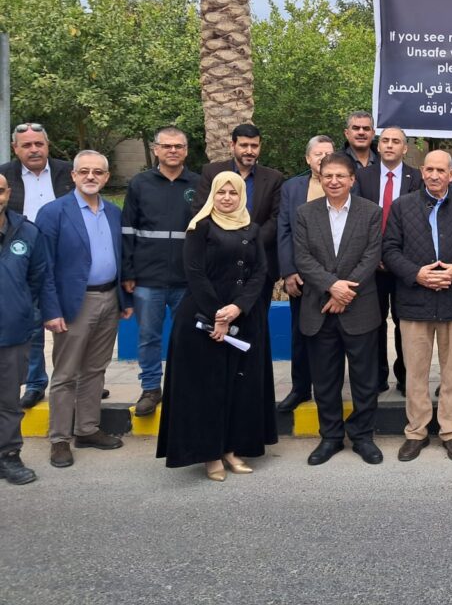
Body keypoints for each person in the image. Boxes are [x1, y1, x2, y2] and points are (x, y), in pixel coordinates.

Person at [156, 172, 278, 481]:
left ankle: (232, 449)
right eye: (221, 192)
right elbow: (194, 273)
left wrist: (238, 308)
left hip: (243, 318)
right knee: (206, 389)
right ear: (212, 194)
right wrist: (218, 317)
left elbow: (260, 272)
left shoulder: (251, 229)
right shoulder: (200, 227)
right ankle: (209, 454)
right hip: (202, 319)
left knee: (239, 388)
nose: (226, 197)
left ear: (241, 196)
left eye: (233, 192)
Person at [382, 150, 452, 463]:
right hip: (414, 302)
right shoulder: (402, 207)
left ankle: (451, 432)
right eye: (429, 169)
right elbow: (389, 249)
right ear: (422, 172)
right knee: (415, 373)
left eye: (441, 170)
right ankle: (416, 432)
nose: (435, 175)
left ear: (451, 175)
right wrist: (417, 274)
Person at [35, 151, 133, 469]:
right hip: (74, 303)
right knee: (65, 374)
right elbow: (44, 266)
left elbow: (121, 257)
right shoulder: (53, 213)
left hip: (109, 298)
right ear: (74, 175)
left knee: (95, 369)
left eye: (98, 172)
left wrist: (124, 300)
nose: (91, 176)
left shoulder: (113, 212)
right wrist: (50, 310)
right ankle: (59, 439)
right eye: (85, 171)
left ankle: (87, 429)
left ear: (106, 177)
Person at [293, 152, 385, 466]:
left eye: (340, 176)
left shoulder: (371, 212)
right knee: (325, 379)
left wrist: (344, 294)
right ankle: (330, 437)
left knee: (364, 379)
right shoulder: (305, 213)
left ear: (352, 180)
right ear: (320, 178)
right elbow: (303, 258)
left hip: (360, 309)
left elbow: (371, 256)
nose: (334, 181)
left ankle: (362, 436)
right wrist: (333, 286)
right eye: (328, 176)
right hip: (319, 309)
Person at [120, 126, 200, 417]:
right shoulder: (140, 184)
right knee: (148, 337)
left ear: (186, 151)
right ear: (156, 150)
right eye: (167, 146)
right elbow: (127, 230)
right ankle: (151, 388)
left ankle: (184, 388)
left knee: (186, 337)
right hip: (147, 278)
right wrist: (128, 271)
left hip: (186, 279)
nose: (172, 151)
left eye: (178, 146)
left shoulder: (198, 184)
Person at [0, 122, 74, 409]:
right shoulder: (5, 175)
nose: (34, 149)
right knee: (31, 320)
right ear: (15, 148)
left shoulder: (67, 172)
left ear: (47, 145)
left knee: (72, 323)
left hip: (64, 256)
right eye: (27, 145)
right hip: (23, 255)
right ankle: (34, 383)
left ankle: (75, 380)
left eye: (39, 144)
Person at [353, 126, 423, 395]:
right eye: (385, 141)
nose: (390, 145)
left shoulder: (416, 178)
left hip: (405, 264)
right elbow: (358, 219)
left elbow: (419, 223)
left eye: (396, 141)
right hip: (372, 265)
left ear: (405, 148)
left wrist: (397, 258)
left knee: (406, 323)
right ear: (378, 146)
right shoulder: (363, 177)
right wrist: (376, 255)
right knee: (374, 322)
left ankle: (406, 377)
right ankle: (377, 376)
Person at [0, 173, 57, 485]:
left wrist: (23, 309)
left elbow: (38, 279)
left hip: (12, 332)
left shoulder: (27, 232)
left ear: (8, 193)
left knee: (8, 400)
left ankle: (8, 455)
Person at [276, 135, 335, 412]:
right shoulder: (292, 188)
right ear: (308, 158)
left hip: (336, 276)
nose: (323, 158)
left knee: (336, 336)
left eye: (328, 153)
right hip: (301, 276)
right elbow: (284, 230)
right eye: (318, 154)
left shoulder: (345, 183)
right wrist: (288, 272)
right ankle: (300, 388)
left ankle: (331, 387)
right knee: (301, 334)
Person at [194, 123, 283, 302]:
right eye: (244, 145)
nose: (249, 151)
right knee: (220, 316)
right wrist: (228, 242)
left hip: (258, 263)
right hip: (219, 262)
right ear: (232, 145)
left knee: (257, 318)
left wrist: (249, 242)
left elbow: (276, 218)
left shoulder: (274, 178)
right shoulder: (212, 172)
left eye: (254, 146)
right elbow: (200, 211)